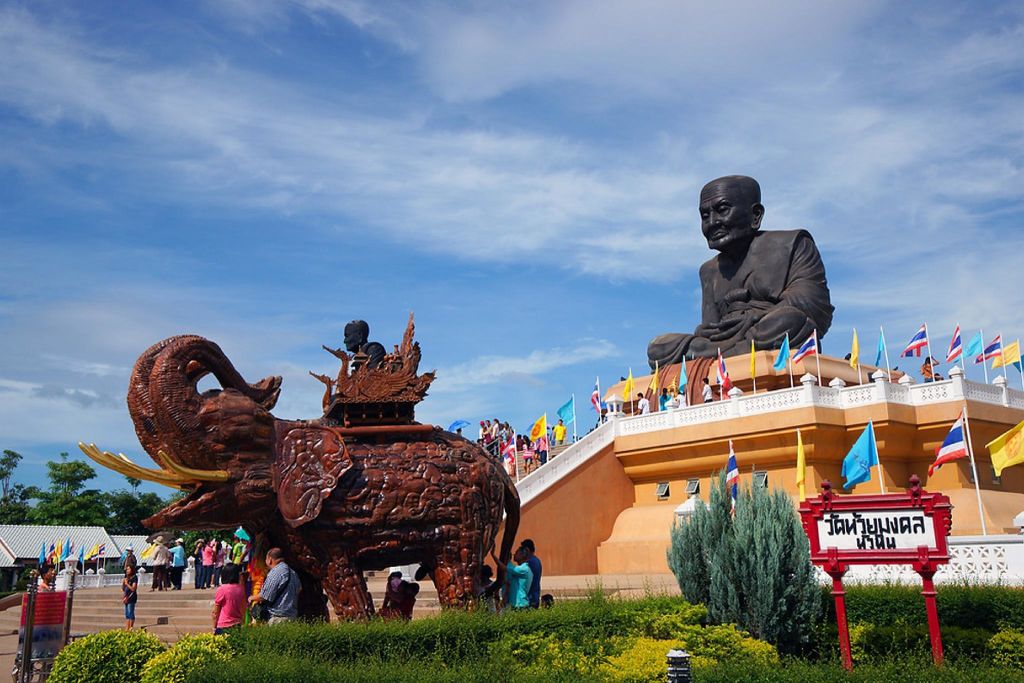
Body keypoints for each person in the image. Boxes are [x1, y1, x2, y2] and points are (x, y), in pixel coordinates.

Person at [648, 175, 834, 366]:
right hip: (726, 341)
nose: (712, 222)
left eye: (722, 210)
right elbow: (711, 328)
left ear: (756, 215)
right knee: (659, 347)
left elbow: (812, 304)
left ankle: (722, 357)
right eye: (704, 216)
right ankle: (729, 356)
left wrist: (754, 317)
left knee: (787, 320)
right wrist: (706, 332)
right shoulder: (709, 270)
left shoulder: (792, 244)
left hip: (765, 332)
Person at [250, 547, 299, 624]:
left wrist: (251, 598)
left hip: (277, 618)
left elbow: (265, 596)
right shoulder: (293, 573)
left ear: (269, 560)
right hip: (292, 616)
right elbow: (299, 589)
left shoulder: (275, 572)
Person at [212, 563, 247, 634]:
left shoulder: (221, 589)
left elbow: (215, 612)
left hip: (223, 625)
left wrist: (214, 627)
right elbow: (243, 608)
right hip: (237, 624)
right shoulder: (241, 589)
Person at [520, 539, 543, 609]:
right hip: (535, 595)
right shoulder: (536, 560)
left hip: (530, 597)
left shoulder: (529, 563)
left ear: (527, 550)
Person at [122, 564, 138, 630]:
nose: (127, 571)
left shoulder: (134, 577)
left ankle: (131, 628)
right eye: (127, 569)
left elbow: (133, 589)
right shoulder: (127, 577)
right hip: (126, 597)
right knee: (127, 614)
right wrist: (123, 583)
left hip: (131, 597)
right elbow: (123, 589)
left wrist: (127, 584)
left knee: (130, 612)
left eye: (128, 569)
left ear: (132, 570)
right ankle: (127, 627)